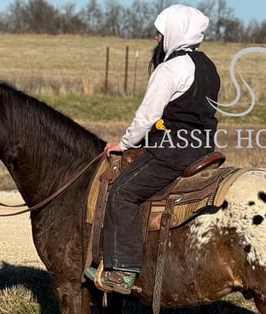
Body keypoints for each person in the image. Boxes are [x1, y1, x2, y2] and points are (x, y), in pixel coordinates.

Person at [85, 4, 221, 295]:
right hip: (203, 146)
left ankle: (122, 271)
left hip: (173, 150)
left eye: (161, 33)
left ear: (173, 32)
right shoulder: (208, 66)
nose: (157, 38)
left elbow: (147, 116)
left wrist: (124, 143)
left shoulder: (170, 69)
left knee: (122, 193)